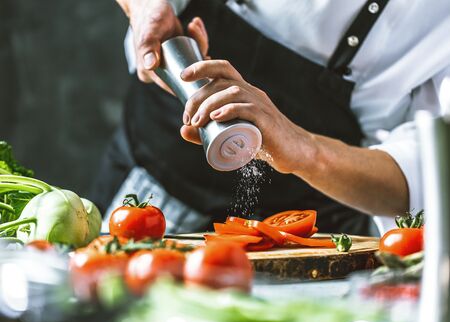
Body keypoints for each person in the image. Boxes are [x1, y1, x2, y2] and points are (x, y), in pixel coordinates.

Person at [91, 0, 450, 236]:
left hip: (300, 237)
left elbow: (428, 174)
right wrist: (146, 9)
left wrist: (304, 150)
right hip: (150, 194)